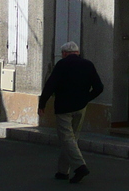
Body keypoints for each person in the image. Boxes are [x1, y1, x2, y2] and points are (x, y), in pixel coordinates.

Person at [38, 41, 104, 184]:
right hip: (80, 107)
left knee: (66, 138)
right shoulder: (88, 64)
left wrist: (42, 103)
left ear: (64, 53)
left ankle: (80, 166)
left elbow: (50, 85)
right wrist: (86, 98)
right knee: (71, 140)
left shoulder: (61, 65)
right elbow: (99, 87)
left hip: (63, 108)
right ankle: (63, 171)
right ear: (77, 52)